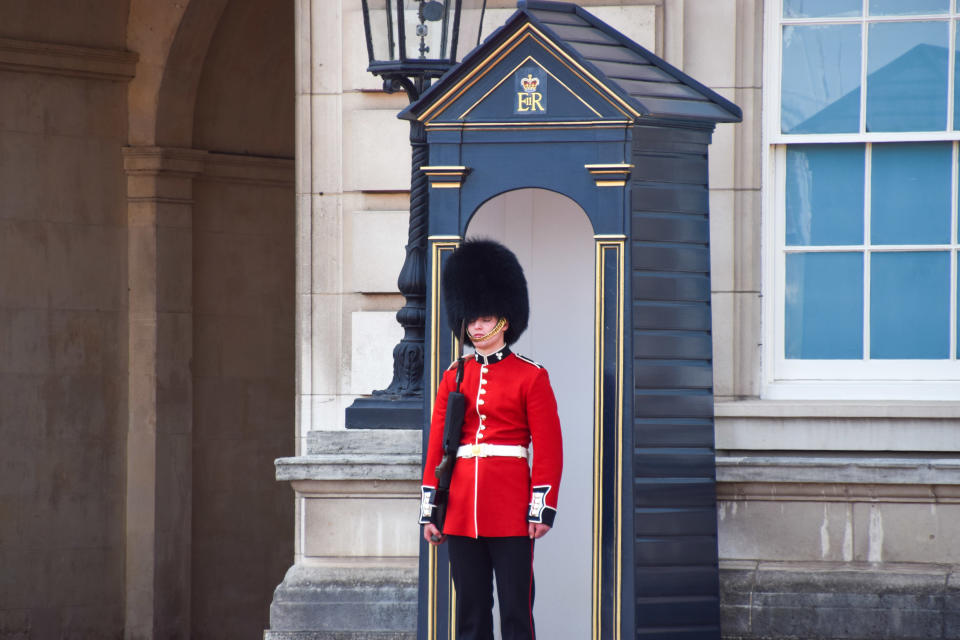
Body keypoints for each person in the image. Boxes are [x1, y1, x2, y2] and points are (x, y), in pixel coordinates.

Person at [419, 238, 563, 640]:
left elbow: (549, 448)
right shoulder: (454, 375)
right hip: (462, 508)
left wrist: (541, 507)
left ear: (504, 318)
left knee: (516, 613)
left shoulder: (531, 376)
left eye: (484, 318)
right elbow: (437, 446)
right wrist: (432, 508)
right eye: (471, 319)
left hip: (511, 508)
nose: (476, 326)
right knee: (470, 613)